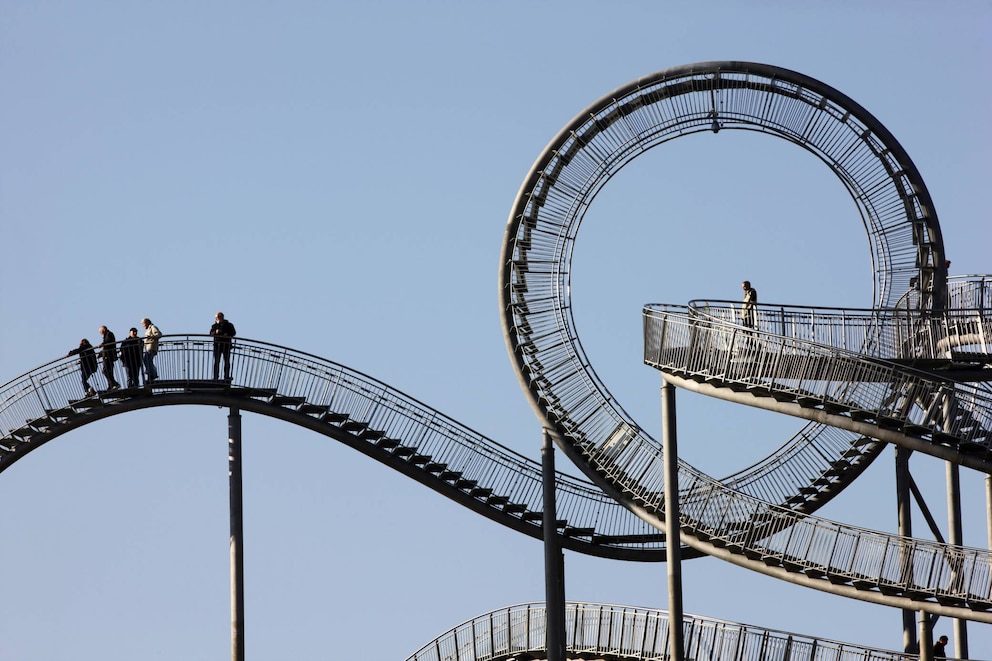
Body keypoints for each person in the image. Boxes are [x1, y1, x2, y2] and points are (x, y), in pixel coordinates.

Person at [209, 311, 237, 381]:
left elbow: (233, 332)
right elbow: (211, 333)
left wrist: (227, 334)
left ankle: (226, 376)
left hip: (226, 345)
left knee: (226, 361)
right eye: (216, 318)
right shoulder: (214, 326)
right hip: (217, 346)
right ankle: (216, 377)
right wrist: (216, 332)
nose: (217, 319)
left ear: (222, 317)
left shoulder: (229, 325)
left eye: (219, 317)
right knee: (217, 362)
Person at [97, 325, 121, 390]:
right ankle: (111, 385)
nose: (100, 333)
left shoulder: (109, 334)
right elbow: (106, 347)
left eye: (100, 331)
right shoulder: (107, 335)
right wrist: (100, 354)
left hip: (108, 356)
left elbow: (108, 342)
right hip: (108, 355)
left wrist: (102, 344)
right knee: (108, 371)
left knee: (105, 371)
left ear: (103, 330)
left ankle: (114, 384)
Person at [141, 317, 162, 382]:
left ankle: (152, 374)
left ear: (147, 323)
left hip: (151, 347)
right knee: (148, 361)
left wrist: (151, 337)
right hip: (148, 347)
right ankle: (153, 373)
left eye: (143, 324)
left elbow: (159, 334)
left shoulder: (152, 327)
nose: (143, 326)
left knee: (146, 360)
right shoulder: (148, 329)